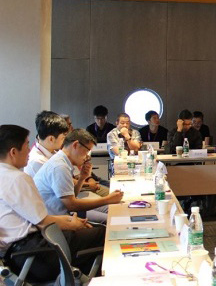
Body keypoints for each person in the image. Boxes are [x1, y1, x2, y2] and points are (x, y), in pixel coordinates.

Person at [0, 124, 105, 283]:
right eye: (27, 145)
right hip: (35, 254)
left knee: (93, 234)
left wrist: (71, 221)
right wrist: (73, 223)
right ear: (13, 152)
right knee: (103, 234)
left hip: (18, 256)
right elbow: (44, 222)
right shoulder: (16, 178)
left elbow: (39, 219)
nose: (29, 150)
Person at [34, 129, 124, 224]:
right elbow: (71, 205)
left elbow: (72, 196)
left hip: (65, 213)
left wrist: (82, 178)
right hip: (57, 221)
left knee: (115, 211)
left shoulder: (62, 161)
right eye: (87, 151)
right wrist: (107, 199)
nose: (87, 156)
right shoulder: (60, 167)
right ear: (76, 145)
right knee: (111, 220)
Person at [24, 111, 69, 177]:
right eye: (63, 137)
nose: (64, 140)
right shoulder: (37, 161)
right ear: (51, 139)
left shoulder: (52, 151)